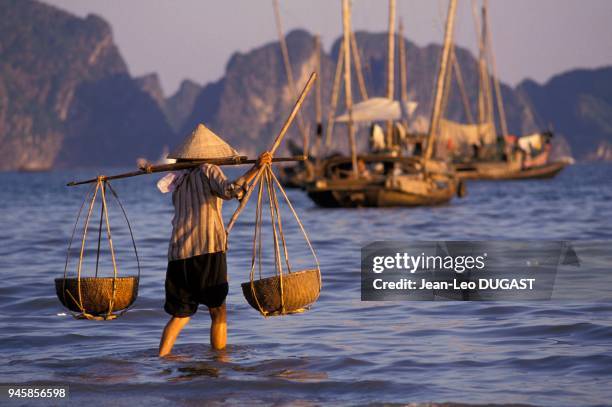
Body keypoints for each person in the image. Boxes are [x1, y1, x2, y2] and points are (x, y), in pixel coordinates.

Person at [157, 123, 272, 357]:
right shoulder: (209, 170)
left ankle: (161, 358)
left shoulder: (178, 180)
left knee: (180, 314)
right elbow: (229, 191)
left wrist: (245, 185)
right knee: (218, 310)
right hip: (207, 251)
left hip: (179, 255)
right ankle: (220, 361)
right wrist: (256, 169)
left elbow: (227, 194)